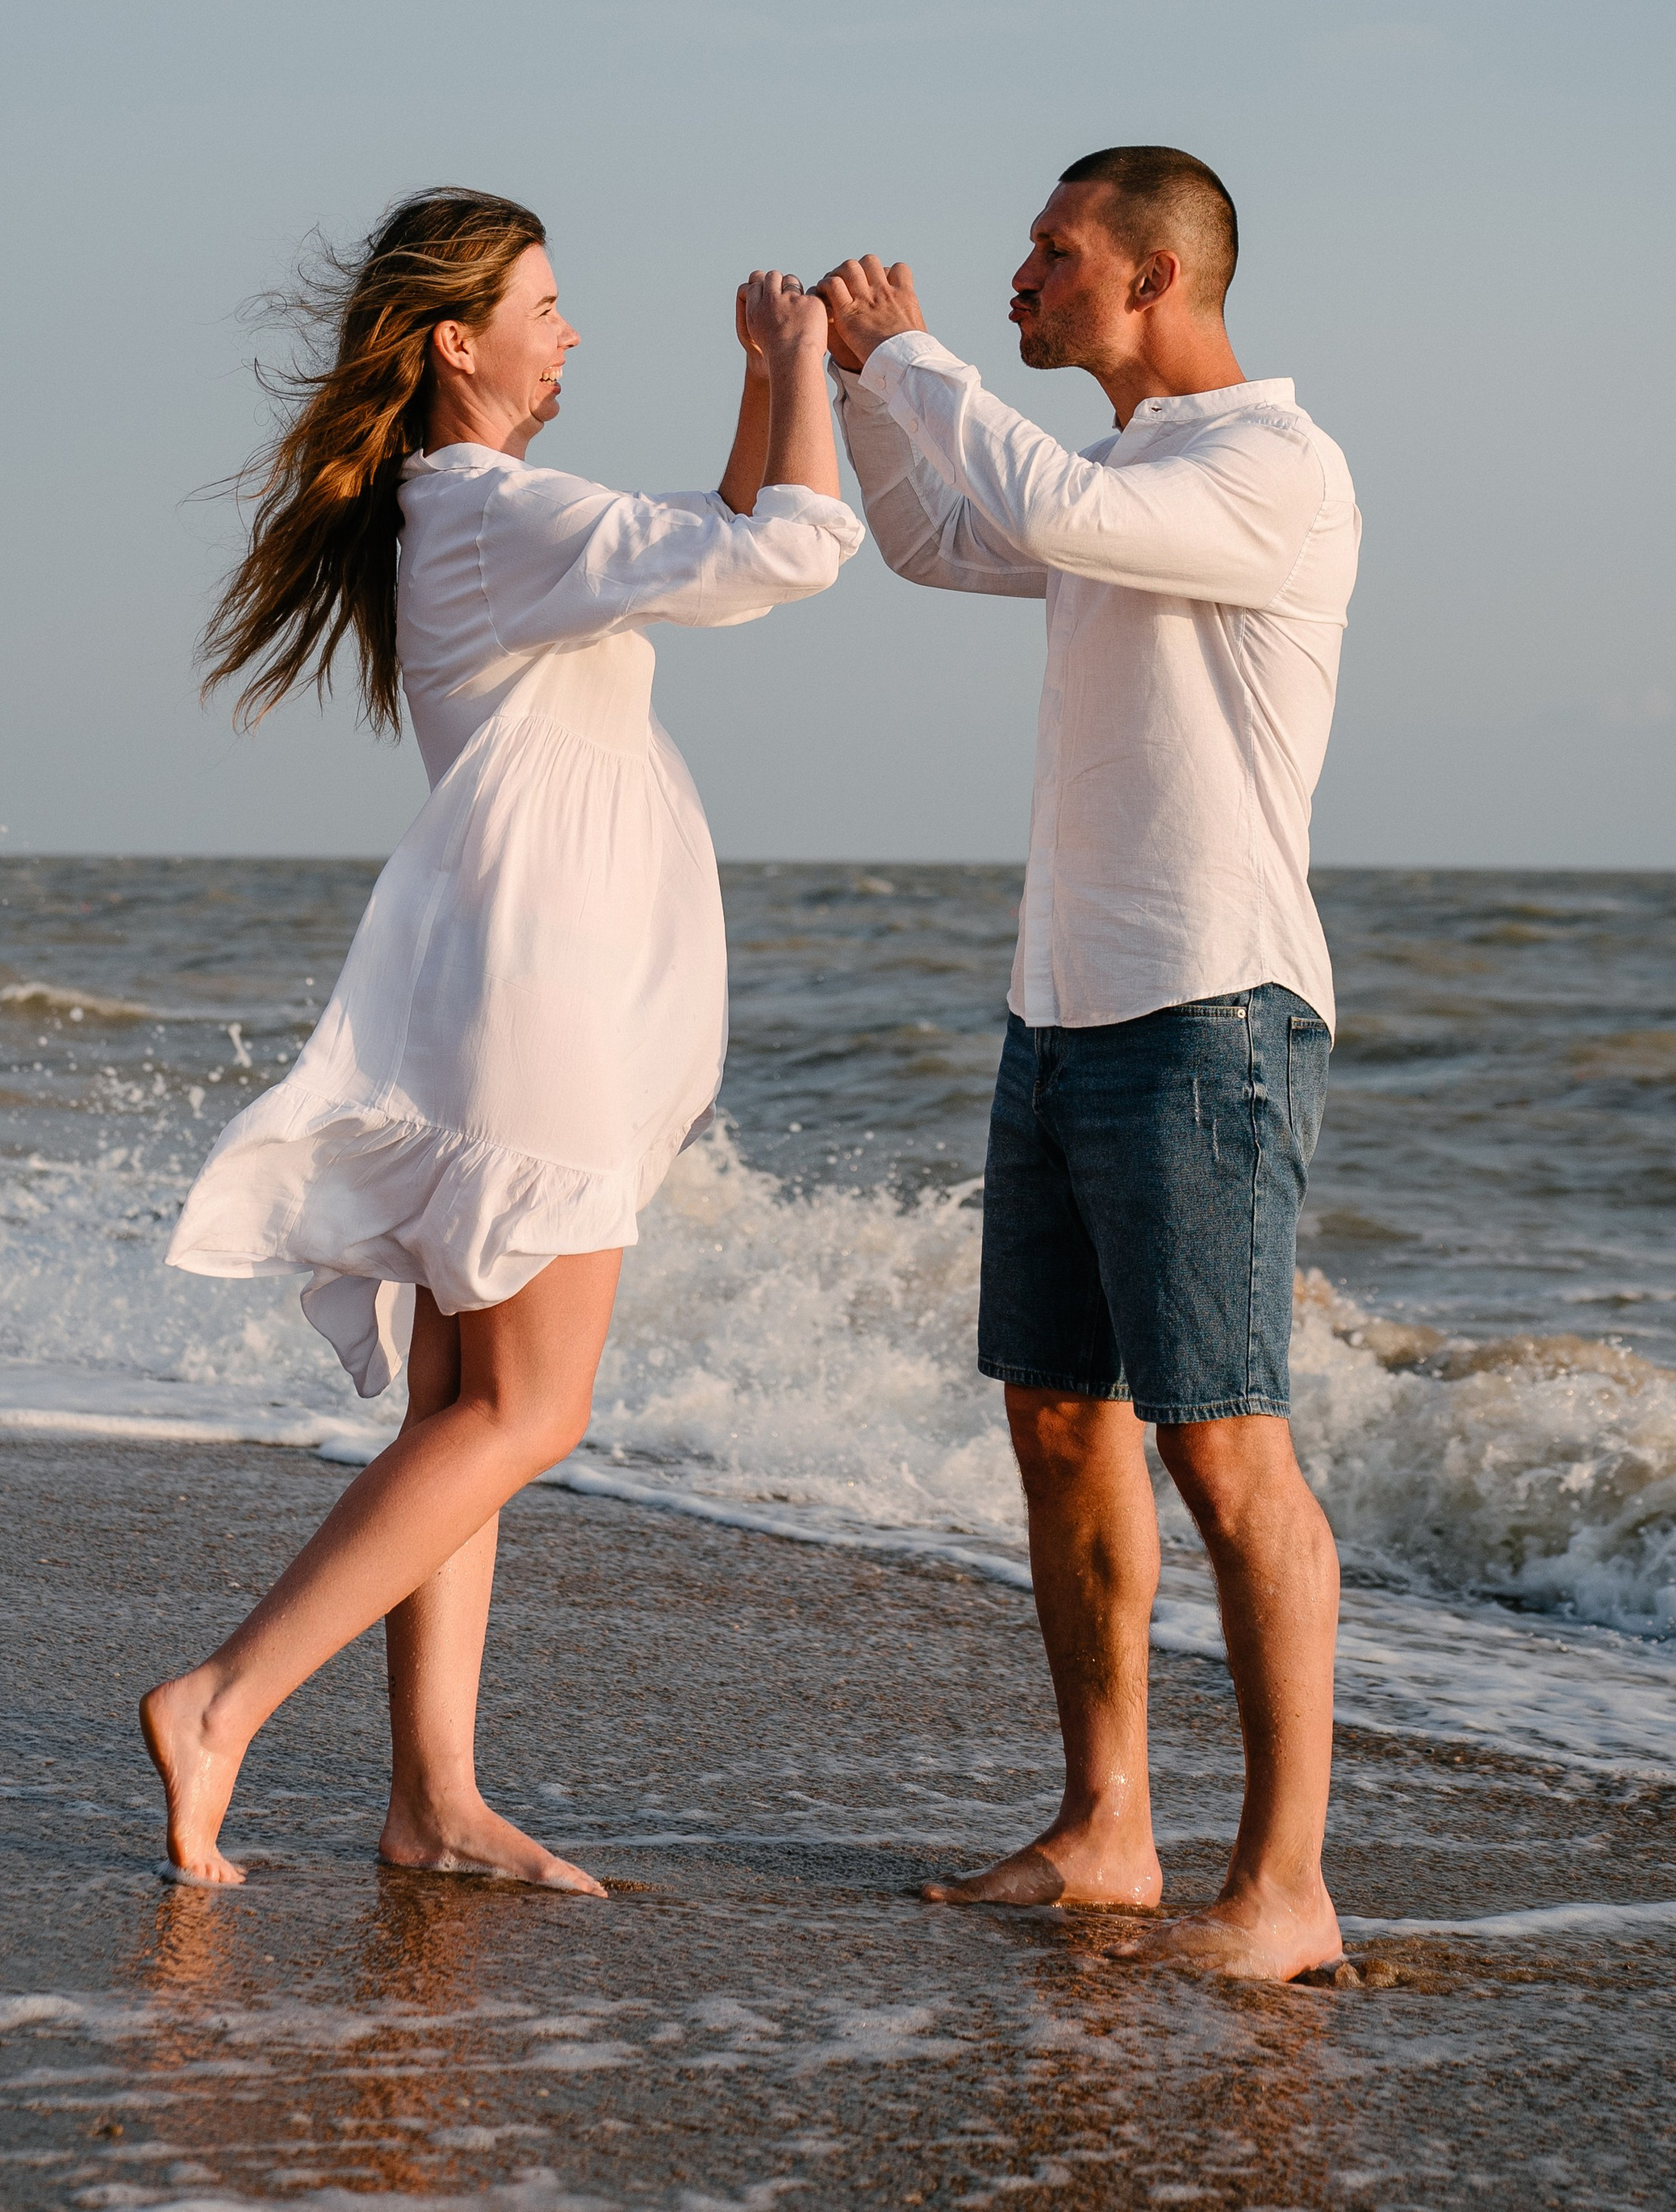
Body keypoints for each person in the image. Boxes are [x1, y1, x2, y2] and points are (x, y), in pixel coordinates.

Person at [146, 188, 860, 1888]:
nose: (570, 331)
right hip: (539, 1005)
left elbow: (714, 528)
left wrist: (759, 380)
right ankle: (222, 1700)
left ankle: (434, 1801)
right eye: (545, 304)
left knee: (463, 1410)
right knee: (526, 1413)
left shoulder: (479, 513)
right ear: (459, 341)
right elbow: (798, 545)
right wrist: (809, 359)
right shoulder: (489, 507)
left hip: (517, 988)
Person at [816, 148, 1360, 1984]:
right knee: (1057, 1421)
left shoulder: (1270, 465)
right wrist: (856, 383)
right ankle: (1106, 1831)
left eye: (1052, 252)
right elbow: (934, 536)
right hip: (1059, 1008)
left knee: (1226, 1445)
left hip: (1208, 1010)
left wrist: (911, 360)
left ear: (1153, 276)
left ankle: (1285, 1887)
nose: (1020, 278)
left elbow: (1036, 501)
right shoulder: (1121, 478)